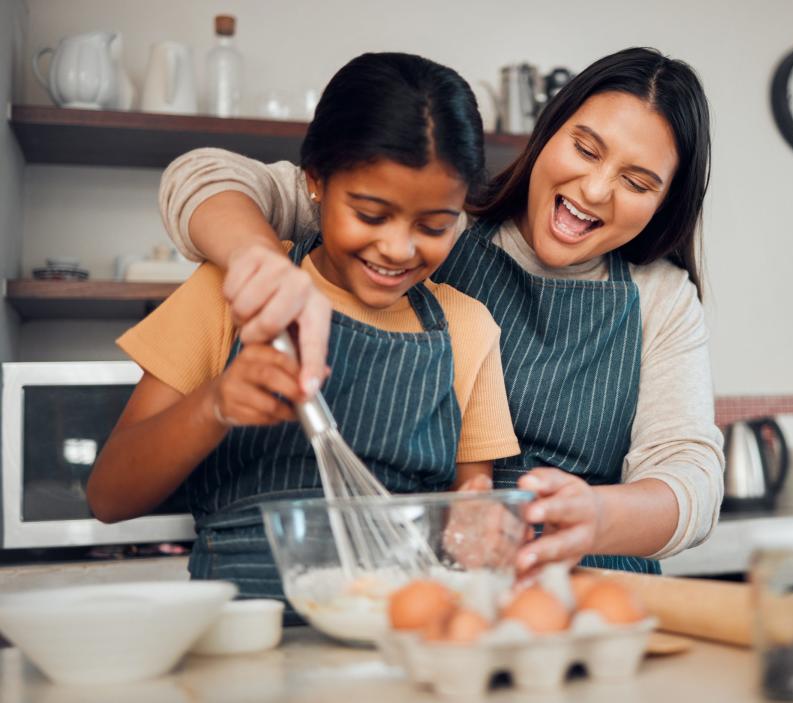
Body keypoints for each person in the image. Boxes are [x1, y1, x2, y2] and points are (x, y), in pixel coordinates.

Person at [156, 47, 725, 575]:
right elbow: (204, 176)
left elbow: (690, 479)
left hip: (590, 585)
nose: (597, 190)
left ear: (664, 201)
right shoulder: (433, 222)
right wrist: (260, 261)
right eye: (585, 148)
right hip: (433, 583)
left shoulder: (661, 297)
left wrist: (595, 517)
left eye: (636, 182)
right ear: (547, 132)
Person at [87, 52, 521, 610]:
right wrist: (214, 404)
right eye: (369, 215)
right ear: (315, 181)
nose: (398, 248)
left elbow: (471, 495)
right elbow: (109, 496)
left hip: (394, 638)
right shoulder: (236, 290)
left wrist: (479, 515)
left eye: (434, 226)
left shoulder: (467, 326)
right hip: (245, 631)